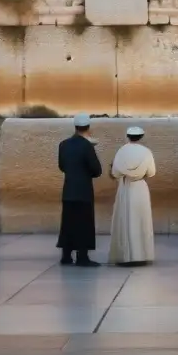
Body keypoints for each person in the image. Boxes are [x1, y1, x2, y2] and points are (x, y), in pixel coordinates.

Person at [57, 113, 103, 266]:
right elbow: (96, 170)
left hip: (68, 190)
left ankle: (66, 256)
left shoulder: (63, 144)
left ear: (75, 127)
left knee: (68, 223)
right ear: (88, 127)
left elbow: (62, 166)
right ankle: (82, 256)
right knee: (83, 224)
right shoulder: (87, 146)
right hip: (83, 191)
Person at [108, 126, 156, 266]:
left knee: (126, 220)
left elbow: (115, 172)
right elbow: (151, 172)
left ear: (128, 136)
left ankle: (126, 255)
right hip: (140, 187)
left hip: (125, 187)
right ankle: (142, 255)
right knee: (141, 220)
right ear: (141, 137)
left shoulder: (121, 151)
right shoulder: (146, 152)